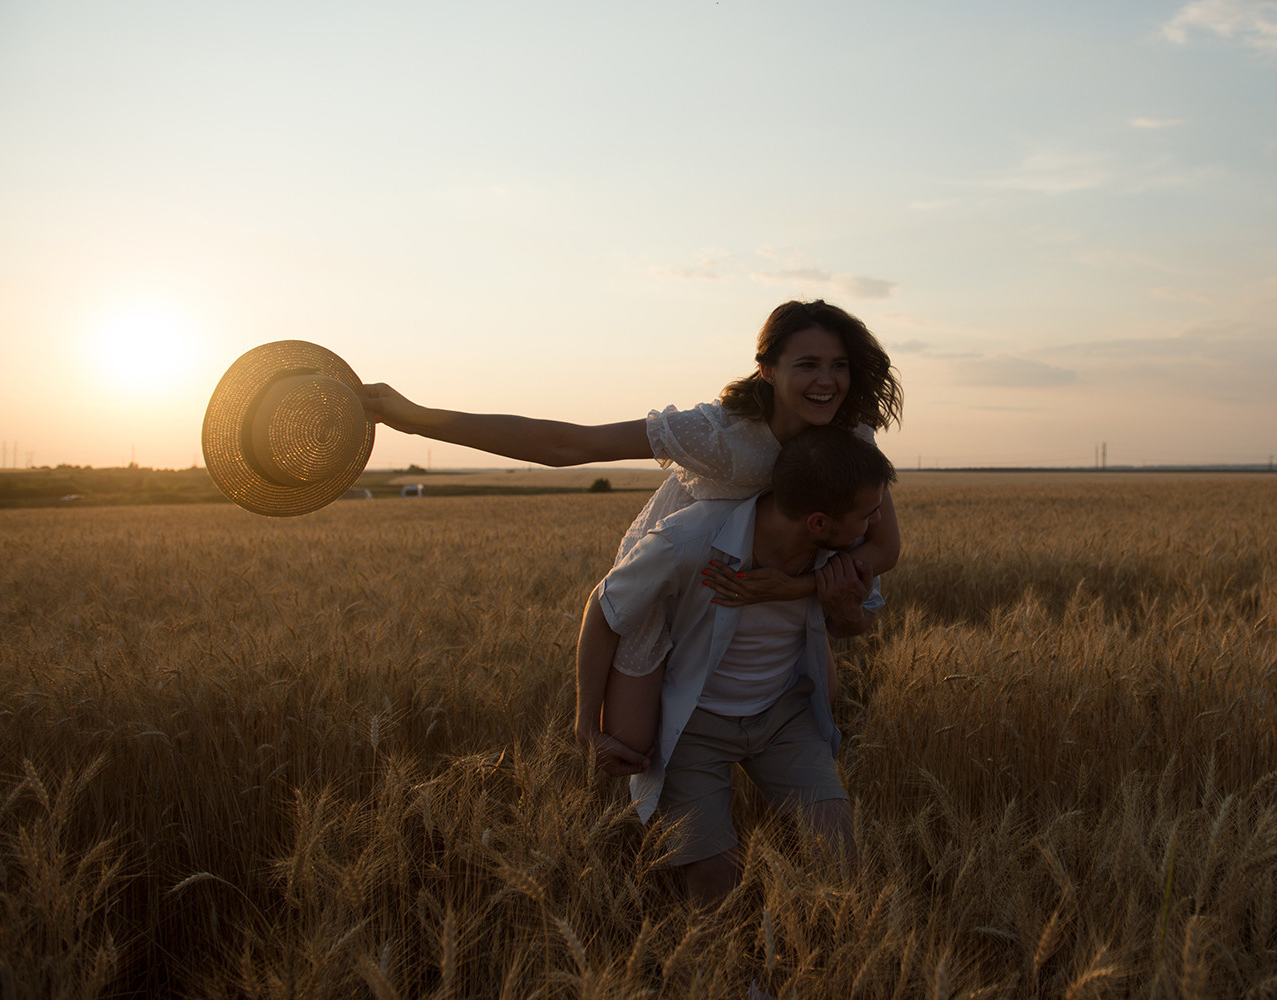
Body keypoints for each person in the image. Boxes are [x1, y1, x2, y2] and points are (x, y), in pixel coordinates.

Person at [361, 301, 903, 765]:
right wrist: (419, 419)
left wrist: (792, 588)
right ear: (767, 369)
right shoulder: (718, 433)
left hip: (773, 582)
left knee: (821, 706)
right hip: (669, 580)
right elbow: (570, 447)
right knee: (631, 744)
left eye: (839, 365)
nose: (827, 380)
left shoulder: (852, 436)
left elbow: (884, 547)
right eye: (808, 364)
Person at [574, 425, 897, 908]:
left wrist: (845, 609)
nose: (877, 524)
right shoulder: (687, 539)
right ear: (817, 522)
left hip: (786, 716)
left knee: (841, 853)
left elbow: (854, 627)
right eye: (868, 514)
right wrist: (584, 723)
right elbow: (604, 610)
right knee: (713, 883)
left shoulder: (843, 552)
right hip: (693, 727)